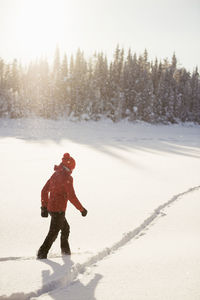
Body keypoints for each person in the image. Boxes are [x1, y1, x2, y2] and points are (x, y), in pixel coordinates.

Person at [37, 153, 87, 259]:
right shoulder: (67, 178)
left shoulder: (55, 174)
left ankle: (65, 252)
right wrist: (81, 209)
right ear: (70, 167)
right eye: (73, 168)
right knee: (53, 233)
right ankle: (42, 254)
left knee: (65, 228)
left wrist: (44, 207)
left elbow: (44, 190)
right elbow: (72, 196)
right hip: (58, 210)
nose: (73, 170)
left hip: (52, 208)